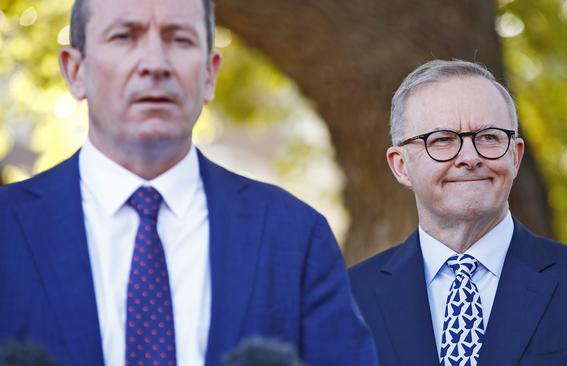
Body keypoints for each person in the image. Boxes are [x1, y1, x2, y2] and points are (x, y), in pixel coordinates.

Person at [0, 0, 377, 365]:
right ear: (75, 71)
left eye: (179, 39)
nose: (155, 64)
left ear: (210, 74)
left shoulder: (294, 235)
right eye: (125, 36)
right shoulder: (7, 229)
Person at [349, 59, 567, 366]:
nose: (469, 157)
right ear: (401, 166)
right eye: (442, 140)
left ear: (516, 156)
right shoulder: (348, 301)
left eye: (489, 137)